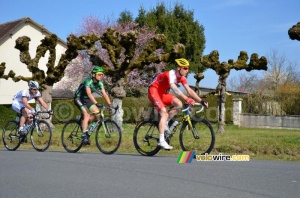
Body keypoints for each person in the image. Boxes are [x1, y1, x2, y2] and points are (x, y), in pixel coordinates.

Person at [148, 58, 208, 150]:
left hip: (163, 93)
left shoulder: (182, 78)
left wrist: (201, 101)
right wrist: (187, 99)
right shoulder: (171, 74)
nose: (187, 70)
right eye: (185, 68)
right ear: (179, 68)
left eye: (188, 68)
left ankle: (166, 123)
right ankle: (161, 140)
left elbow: (189, 90)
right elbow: (174, 89)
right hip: (154, 91)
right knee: (164, 113)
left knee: (179, 104)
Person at [74, 65, 112, 145]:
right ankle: (84, 136)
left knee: (98, 114)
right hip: (79, 98)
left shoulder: (100, 83)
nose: (101, 76)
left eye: (102, 74)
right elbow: (89, 94)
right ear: (94, 75)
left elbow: (104, 94)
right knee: (87, 114)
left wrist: (110, 104)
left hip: (87, 99)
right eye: (99, 74)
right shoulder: (88, 81)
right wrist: (96, 103)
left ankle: (85, 127)